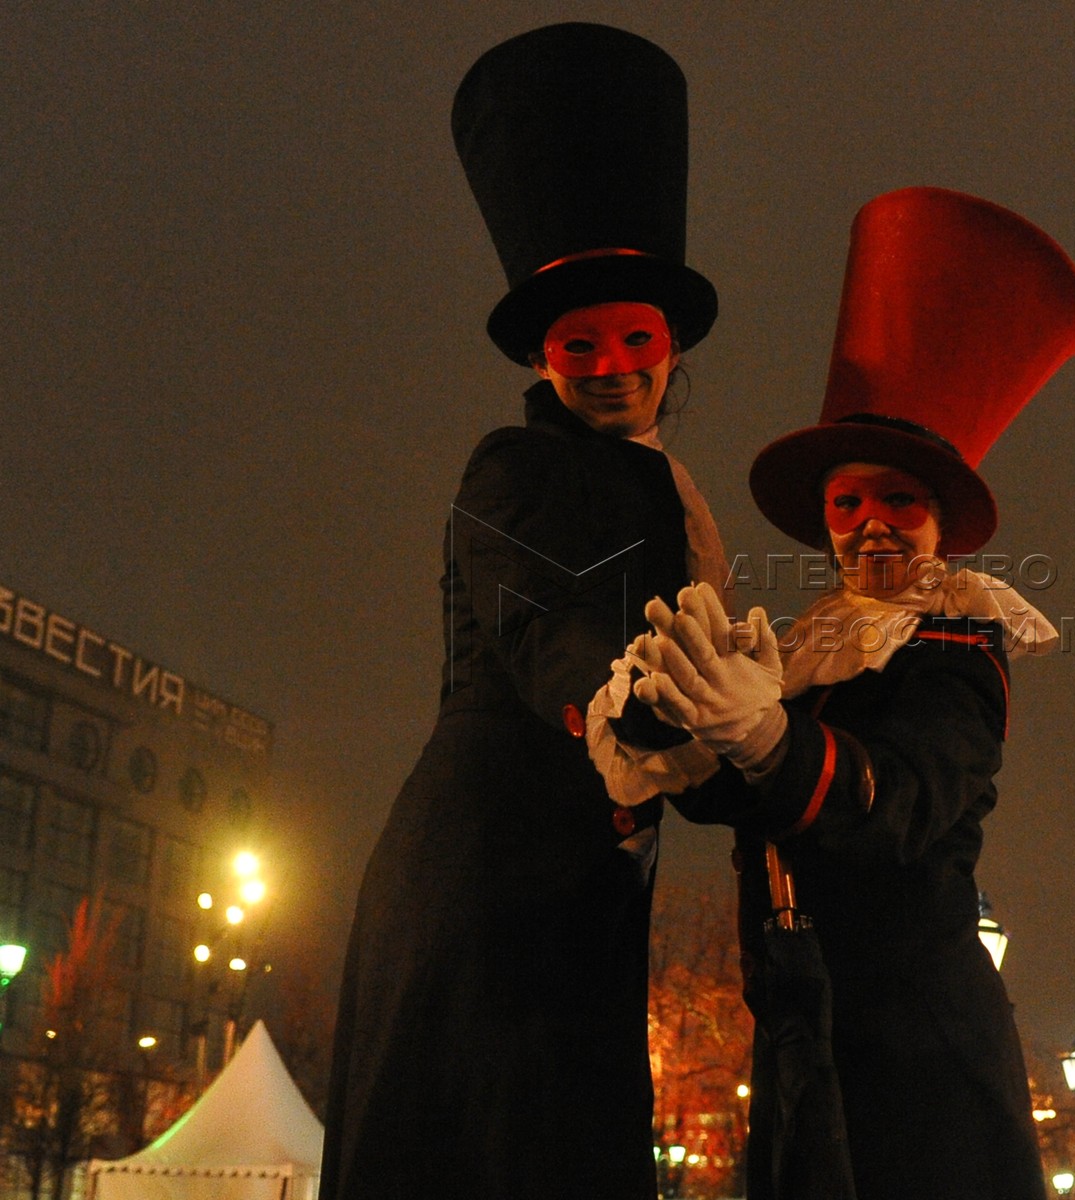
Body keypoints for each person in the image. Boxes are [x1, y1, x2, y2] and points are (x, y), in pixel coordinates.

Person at [626, 187, 1075, 1200]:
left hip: (917, 1051)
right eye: (847, 501)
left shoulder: (956, 644)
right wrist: (668, 724)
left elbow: (896, 804)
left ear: (939, 522)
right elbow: (757, 796)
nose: (871, 523)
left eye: (898, 499)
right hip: (806, 1023)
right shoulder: (811, 648)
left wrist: (762, 734)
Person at [321, 25, 724, 1199]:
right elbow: (544, 624)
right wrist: (635, 705)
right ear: (544, 358)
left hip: (582, 875)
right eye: (578, 343)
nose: (610, 363)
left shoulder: (671, 493)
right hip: (489, 874)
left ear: (671, 349)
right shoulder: (512, 464)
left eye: (634, 338)